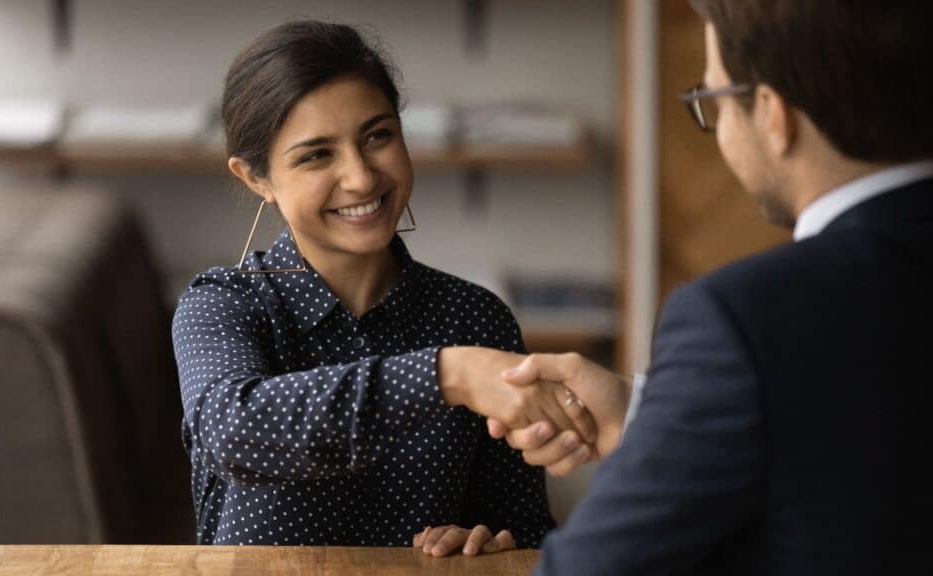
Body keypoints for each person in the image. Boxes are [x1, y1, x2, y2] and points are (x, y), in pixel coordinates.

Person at [485, 0, 933, 573]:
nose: (717, 127)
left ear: (772, 114)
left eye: (714, 101)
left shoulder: (743, 317)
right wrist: (653, 412)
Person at [171, 20, 596, 553]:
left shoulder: (476, 318)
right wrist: (448, 375)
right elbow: (235, 434)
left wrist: (490, 542)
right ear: (256, 179)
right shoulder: (222, 303)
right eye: (316, 155)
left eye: (377, 136)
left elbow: (528, 533)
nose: (362, 177)